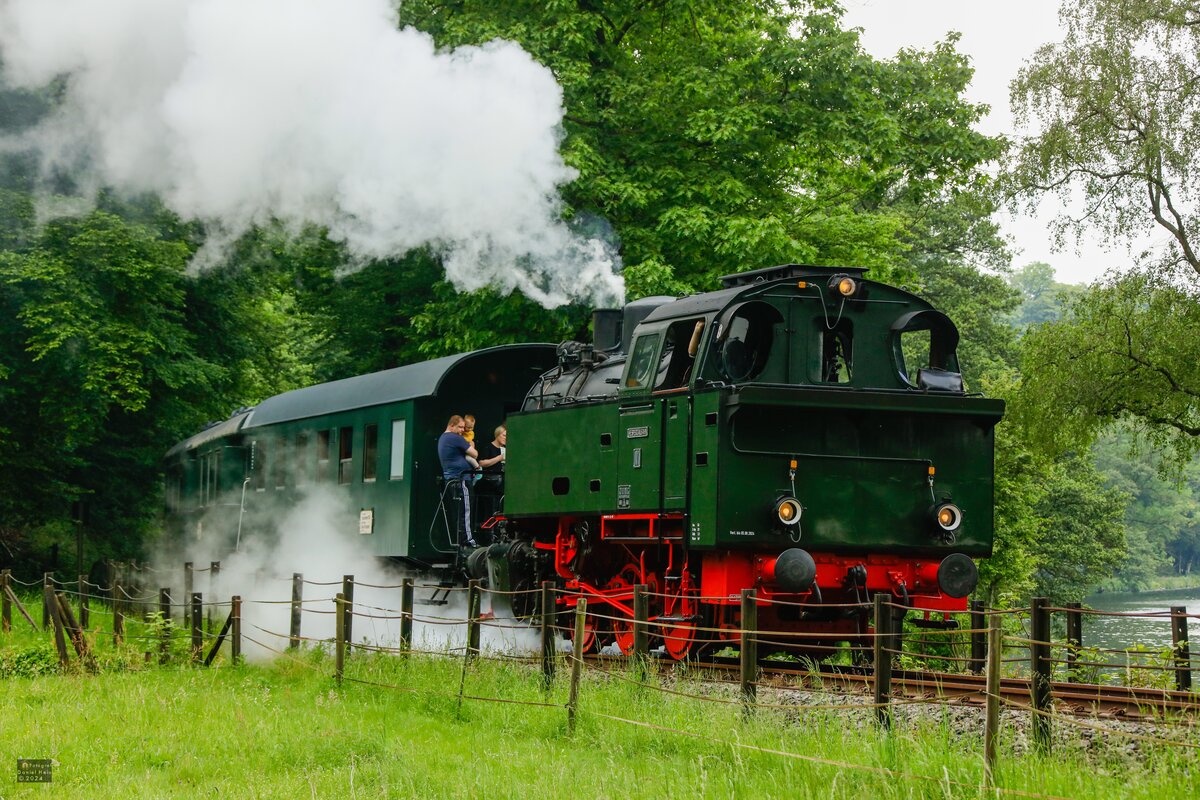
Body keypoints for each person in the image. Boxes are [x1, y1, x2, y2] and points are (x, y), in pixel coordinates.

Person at [438, 415, 478, 547]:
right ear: (451, 425)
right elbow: (474, 454)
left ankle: (463, 540)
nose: (462, 430)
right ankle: (468, 540)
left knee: (461, 512)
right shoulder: (455, 438)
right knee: (466, 511)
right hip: (461, 479)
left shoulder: (443, 438)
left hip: (452, 479)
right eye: (460, 427)